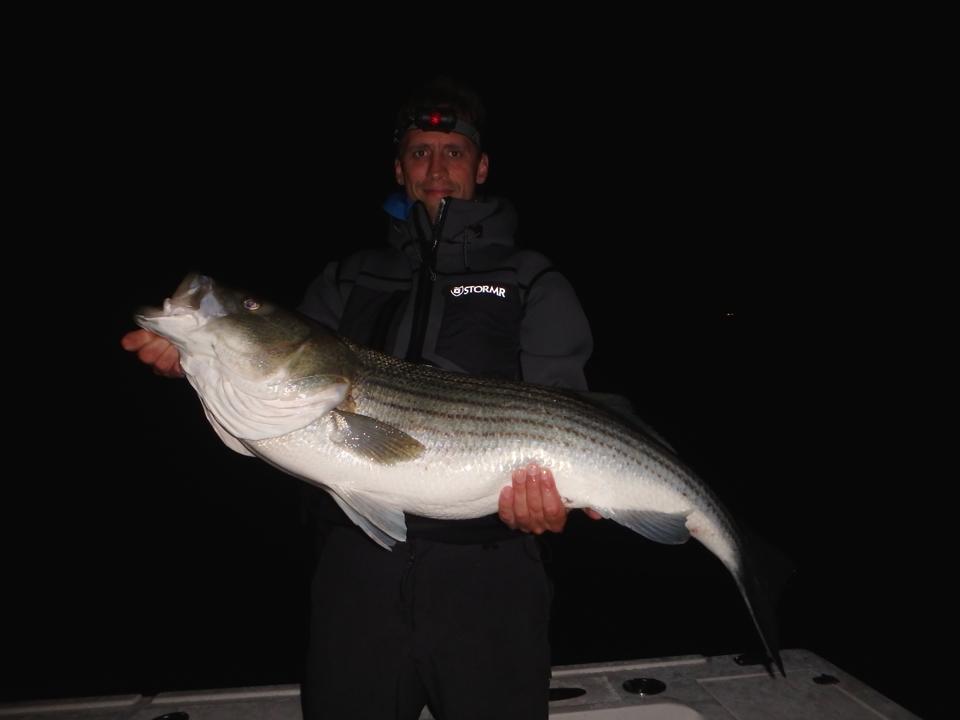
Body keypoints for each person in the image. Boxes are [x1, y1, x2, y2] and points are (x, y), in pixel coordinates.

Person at [122, 77, 598, 719]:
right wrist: (203, 361)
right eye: (420, 152)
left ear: (480, 167)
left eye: (452, 152)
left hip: (492, 575)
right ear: (398, 168)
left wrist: (557, 498)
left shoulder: (531, 278)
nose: (436, 169)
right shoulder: (347, 277)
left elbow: (568, 409)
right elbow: (279, 395)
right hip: (354, 571)